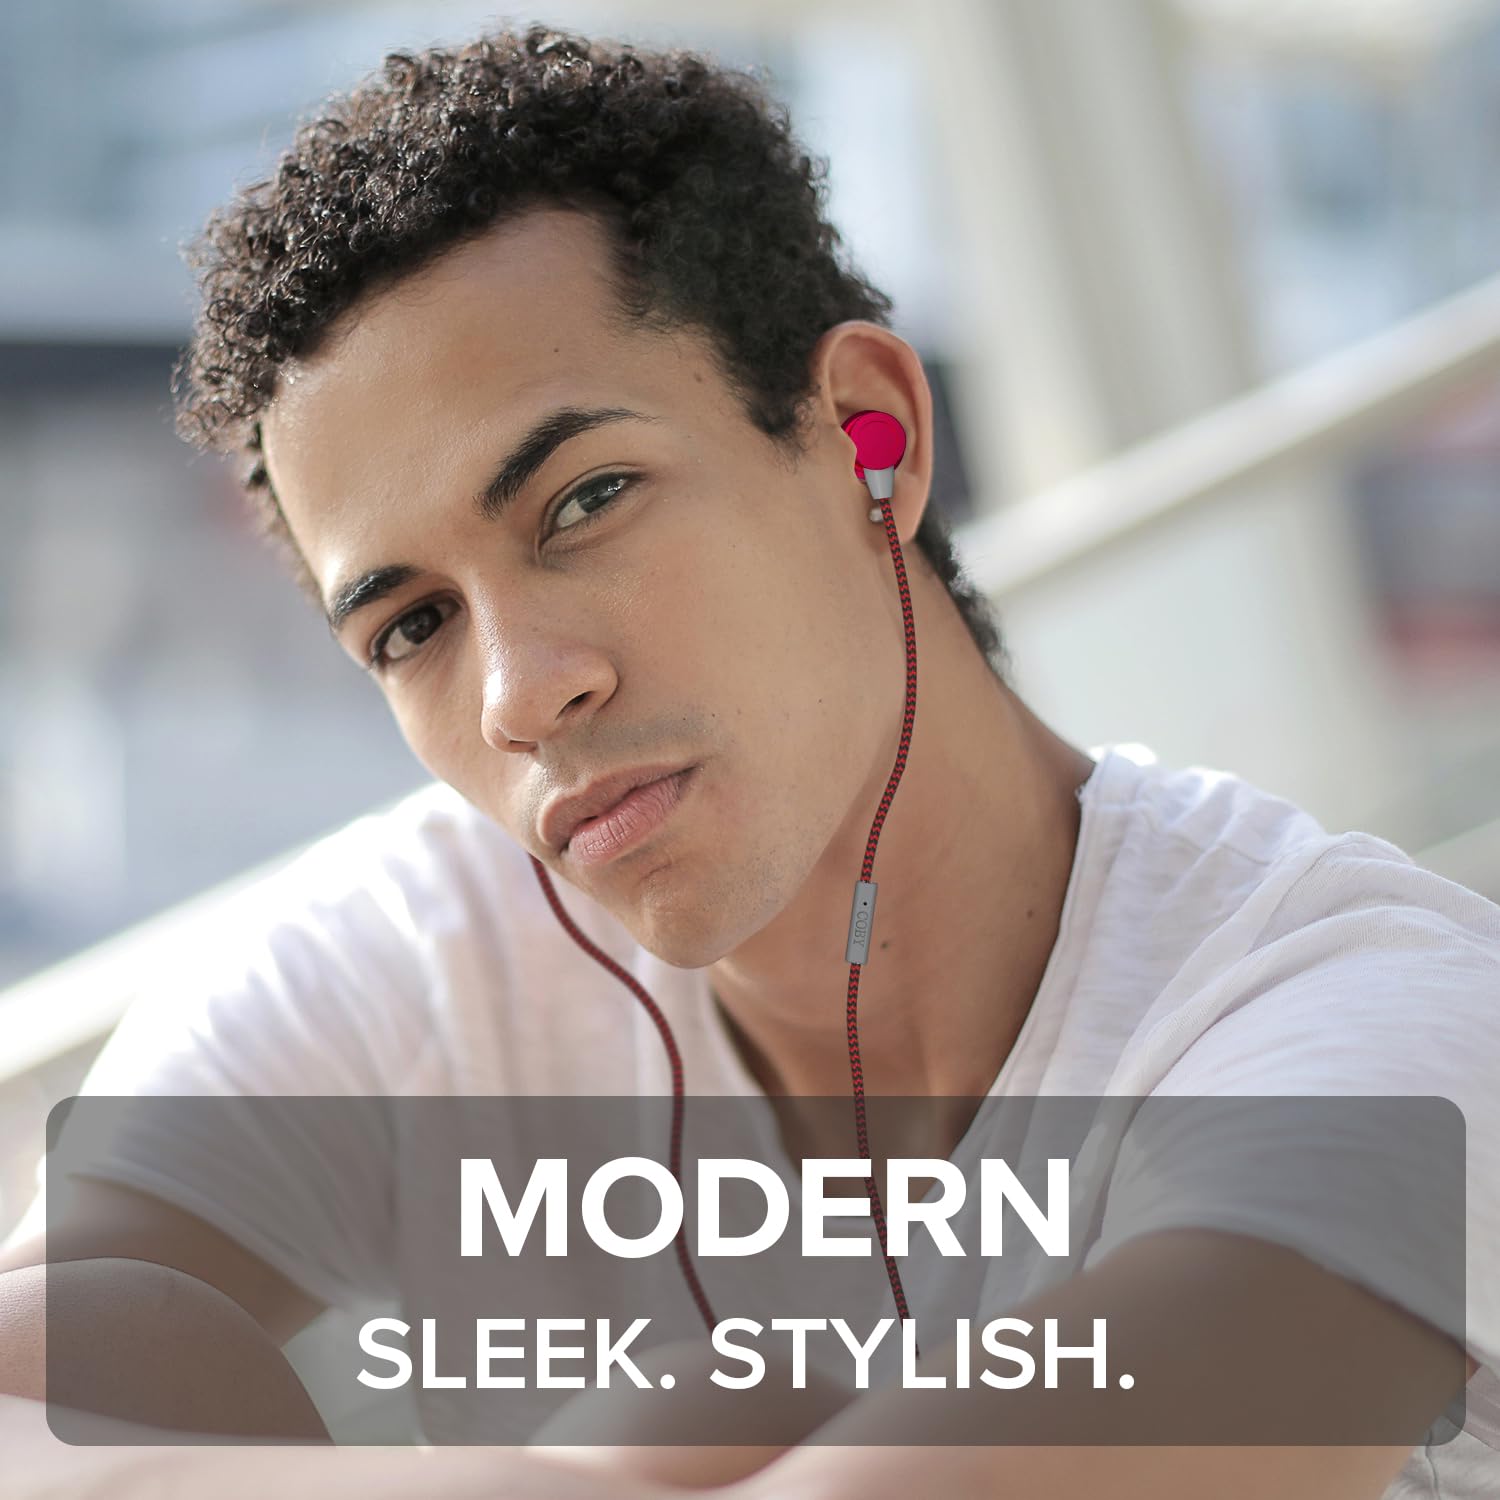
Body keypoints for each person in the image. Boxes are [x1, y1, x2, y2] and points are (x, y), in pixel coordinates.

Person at [2, 21, 1498, 1500]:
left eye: (586, 500)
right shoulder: (411, 961)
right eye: (412, 626)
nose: (521, 694)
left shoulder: (1368, 1029)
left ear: (866, 437)